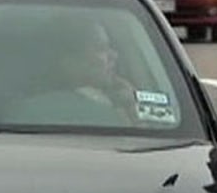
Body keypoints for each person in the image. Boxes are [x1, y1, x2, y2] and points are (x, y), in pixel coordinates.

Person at [7, 16, 136, 127]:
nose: (114, 55)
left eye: (110, 47)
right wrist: (127, 114)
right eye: (101, 48)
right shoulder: (106, 116)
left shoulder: (22, 110)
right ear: (70, 62)